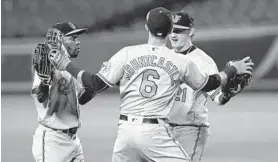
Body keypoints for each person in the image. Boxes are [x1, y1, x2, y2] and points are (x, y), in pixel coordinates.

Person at [47, 7, 253, 162]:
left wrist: (67, 65)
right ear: (170, 29)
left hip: (126, 132)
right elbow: (211, 84)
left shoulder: (128, 53)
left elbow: (95, 84)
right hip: (156, 132)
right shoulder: (181, 61)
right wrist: (232, 69)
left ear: (146, 27)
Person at [167, 10, 240, 162]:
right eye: (171, 30)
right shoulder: (164, 56)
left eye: (179, 31)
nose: (173, 35)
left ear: (191, 32)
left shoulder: (203, 61)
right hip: (162, 129)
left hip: (190, 129)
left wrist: (229, 92)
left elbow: (218, 98)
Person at [31, 22, 95, 162]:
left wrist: (95, 85)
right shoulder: (47, 65)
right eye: (72, 38)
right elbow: (40, 97)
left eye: (77, 38)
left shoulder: (66, 68)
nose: (78, 42)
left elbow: (82, 98)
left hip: (73, 141)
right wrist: (44, 82)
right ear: (59, 40)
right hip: (52, 142)